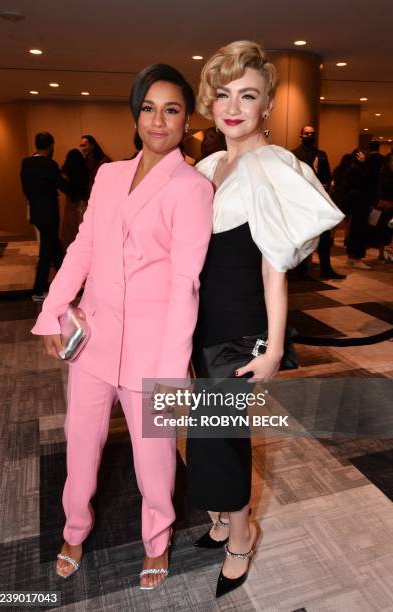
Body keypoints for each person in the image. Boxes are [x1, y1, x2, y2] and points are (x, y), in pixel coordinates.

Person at [31, 65, 213, 588]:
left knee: (153, 460)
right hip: (94, 340)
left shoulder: (192, 188)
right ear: (136, 113)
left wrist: (171, 370)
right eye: (149, 107)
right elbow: (82, 249)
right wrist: (53, 313)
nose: (159, 120)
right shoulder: (108, 175)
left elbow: (185, 285)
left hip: (153, 350)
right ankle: (73, 528)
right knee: (80, 442)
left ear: (186, 119)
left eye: (172, 109)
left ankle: (157, 539)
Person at [185, 40, 344, 599]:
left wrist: (275, 346)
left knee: (220, 437)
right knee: (201, 430)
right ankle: (228, 518)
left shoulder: (273, 166)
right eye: (224, 94)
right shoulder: (207, 165)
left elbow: (275, 266)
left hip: (241, 325)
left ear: (266, 105)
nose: (233, 106)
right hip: (199, 322)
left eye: (247, 95)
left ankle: (240, 534)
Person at [293, 126, 346, 279]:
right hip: (303, 200)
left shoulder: (321, 154)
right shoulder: (294, 154)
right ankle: (301, 271)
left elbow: (327, 176)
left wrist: (326, 186)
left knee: (324, 236)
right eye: (306, 133)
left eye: (312, 133)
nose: (310, 135)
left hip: (320, 199)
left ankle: (326, 268)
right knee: (305, 235)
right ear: (301, 135)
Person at [20, 132, 66, 301]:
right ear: (51, 145)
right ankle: (38, 290)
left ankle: (66, 283)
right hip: (50, 215)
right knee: (47, 251)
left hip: (37, 213)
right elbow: (62, 185)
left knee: (54, 249)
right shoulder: (50, 164)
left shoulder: (26, 163)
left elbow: (25, 188)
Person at [345, 148, 373, 269]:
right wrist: (363, 164)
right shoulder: (356, 169)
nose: (364, 156)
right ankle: (356, 258)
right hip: (360, 203)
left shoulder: (354, 168)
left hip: (357, 203)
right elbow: (365, 181)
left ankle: (352, 257)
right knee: (359, 230)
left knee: (355, 230)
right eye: (361, 155)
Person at [60, 149, 90, 250]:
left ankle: (70, 251)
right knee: (82, 228)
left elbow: (63, 183)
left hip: (71, 202)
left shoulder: (67, 169)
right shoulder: (85, 168)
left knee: (70, 229)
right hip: (84, 201)